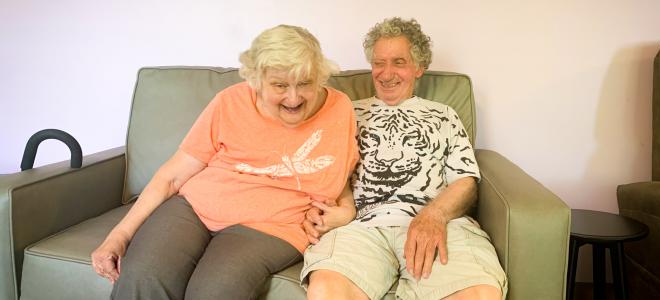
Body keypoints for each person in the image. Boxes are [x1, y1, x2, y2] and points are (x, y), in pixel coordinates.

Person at [90, 24, 359, 300]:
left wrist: (347, 211)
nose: (294, 97)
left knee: (215, 292)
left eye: (305, 83)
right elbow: (172, 176)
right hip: (193, 208)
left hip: (271, 227)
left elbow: (339, 174)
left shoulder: (338, 109)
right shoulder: (229, 102)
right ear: (256, 79)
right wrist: (119, 235)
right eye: (279, 85)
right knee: (143, 277)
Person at [301, 17, 507, 300]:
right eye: (378, 63)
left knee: (480, 294)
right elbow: (326, 170)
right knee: (326, 291)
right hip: (362, 227)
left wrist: (434, 215)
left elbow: (465, 180)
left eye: (398, 62)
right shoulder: (346, 110)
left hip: (439, 223)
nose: (386, 74)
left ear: (419, 68)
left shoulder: (444, 115)